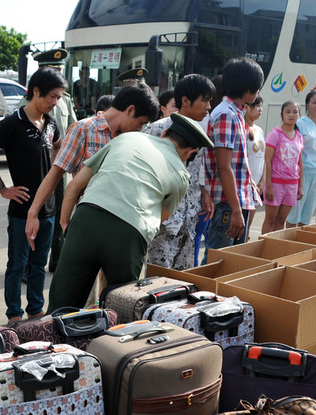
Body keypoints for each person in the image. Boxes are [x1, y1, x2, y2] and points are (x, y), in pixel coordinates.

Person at [46, 113, 212, 310]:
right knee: (119, 308)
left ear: (165, 133)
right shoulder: (181, 176)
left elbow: (74, 187)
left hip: (86, 217)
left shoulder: (126, 138)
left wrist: (67, 226)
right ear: (190, 152)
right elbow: (160, 218)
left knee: (61, 304)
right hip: (129, 235)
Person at [25, 83, 158, 251]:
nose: (140, 129)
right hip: (89, 222)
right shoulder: (84, 129)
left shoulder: (133, 138)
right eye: (140, 123)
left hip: (125, 224)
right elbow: (56, 173)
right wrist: (33, 213)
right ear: (130, 110)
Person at [0, 67, 66, 321]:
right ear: (35, 92)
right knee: (17, 265)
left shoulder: (51, 123)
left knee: (39, 265)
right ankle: (14, 315)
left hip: (49, 209)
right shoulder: (12, 123)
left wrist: (53, 175)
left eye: (58, 98)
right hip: (21, 209)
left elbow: (58, 148)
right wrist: (2, 189)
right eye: (52, 96)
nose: (55, 102)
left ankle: (35, 309)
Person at [144, 74, 216, 270]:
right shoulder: (157, 130)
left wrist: (204, 192)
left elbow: (194, 171)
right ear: (185, 101)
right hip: (164, 222)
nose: (208, 107)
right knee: (157, 281)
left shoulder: (200, 133)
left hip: (189, 220)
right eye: (205, 100)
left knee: (180, 282)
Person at [20, 48, 78, 273]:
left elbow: (73, 129)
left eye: (60, 70)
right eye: (53, 70)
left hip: (60, 165)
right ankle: (29, 265)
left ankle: (57, 261)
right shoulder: (28, 106)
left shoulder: (65, 99)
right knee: (36, 216)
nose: (58, 75)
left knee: (59, 214)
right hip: (38, 168)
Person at [202, 58, 264, 261]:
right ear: (246, 87)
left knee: (230, 260)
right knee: (217, 262)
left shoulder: (237, 112)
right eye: (256, 87)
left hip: (237, 200)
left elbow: (237, 162)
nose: (257, 93)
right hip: (228, 203)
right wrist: (236, 210)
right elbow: (223, 166)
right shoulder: (225, 114)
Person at [286, 91, 316, 228]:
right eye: (314, 102)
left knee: (307, 213)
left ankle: (300, 242)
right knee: (295, 212)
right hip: (302, 173)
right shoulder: (300, 124)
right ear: (307, 105)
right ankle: (287, 241)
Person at [261, 101, 304, 234]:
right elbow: (267, 160)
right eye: (288, 111)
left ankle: (275, 248)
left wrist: (300, 186)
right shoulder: (275, 134)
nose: (291, 115)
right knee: (270, 219)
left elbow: (300, 162)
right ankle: (265, 247)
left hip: (292, 185)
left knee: (281, 220)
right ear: (282, 114)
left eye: (295, 112)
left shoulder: (299, 136)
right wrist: (268, 186)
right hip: (275, 183)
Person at [245, 96, 265, 240]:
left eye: (261, 106)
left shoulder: (259, 130)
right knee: (243, 224)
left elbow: (263, 157)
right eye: (257, 106)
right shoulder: (243, 129)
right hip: (245, 184)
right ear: (247, 107)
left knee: (249, 224)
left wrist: (262, 181)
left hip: (257, 186)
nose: (260, 109)